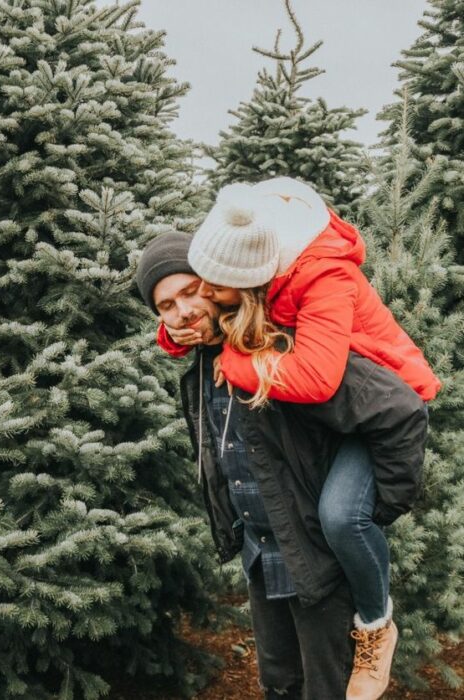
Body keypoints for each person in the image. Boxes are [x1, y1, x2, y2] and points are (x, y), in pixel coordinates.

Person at [136, 231, 429, 700]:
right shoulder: (202, 365)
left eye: (190, 292)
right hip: (261, 553)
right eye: (166, 305)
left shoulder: (282, 349)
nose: (183, 311)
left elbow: (400, 409)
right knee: (279, 685)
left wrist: (374, 511)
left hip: (316, 559)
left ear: (216, 285)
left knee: (327, 691)